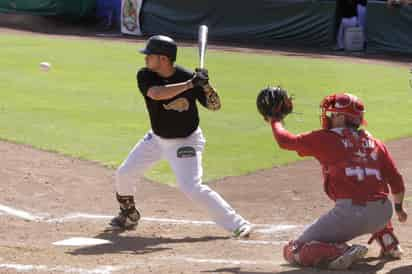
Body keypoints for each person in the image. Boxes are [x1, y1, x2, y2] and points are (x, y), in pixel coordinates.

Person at [109, 35, 252, 238]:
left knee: (191, 187)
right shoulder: (146, 75)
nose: (145, 59)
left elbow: (215, 106)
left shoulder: (188, 77)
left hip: (186, 141)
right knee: (124, 173)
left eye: (149, 55)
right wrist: (190, 85)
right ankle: (129, 214)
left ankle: (238, 224)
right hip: (157, 139)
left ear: (164, 59)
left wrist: (206, 86)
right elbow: (157, 94)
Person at [257, 88, 407, 269]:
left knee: (294, 250)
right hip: (383, 213)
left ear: (342, 117)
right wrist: (398, 208)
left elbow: (285, 141)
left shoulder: (326, 139)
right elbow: (396, 181)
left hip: (350, 215)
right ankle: (388, 239)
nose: (328, 116)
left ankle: (340, 251)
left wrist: (275, 120)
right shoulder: (376, 142)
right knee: (372, 191)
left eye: (333, 113)